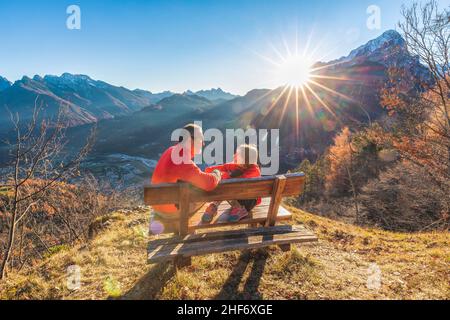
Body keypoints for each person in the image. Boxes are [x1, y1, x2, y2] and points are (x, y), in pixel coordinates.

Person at [150, 123, 222, 233]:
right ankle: (190, 234)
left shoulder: (171, 150)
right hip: (170, 211)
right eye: (201, 139)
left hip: (158, 206)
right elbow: (209, 183)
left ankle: (186, 231)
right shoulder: (182, 157)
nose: (203, 143)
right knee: (208, 194)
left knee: (189, 192)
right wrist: (217, 173)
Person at [202, 144, 261, 223]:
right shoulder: (237, 166)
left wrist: (224, 175)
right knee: (226, 186)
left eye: (237, 154)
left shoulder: (254, 171)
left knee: (227, 187)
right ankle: (215, 205)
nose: (234, 155)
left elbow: (240, 181)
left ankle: (240, 210)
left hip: (249, 201)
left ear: (245, 158)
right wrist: (213, 171)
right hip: (236, 196)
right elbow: (222, 167)